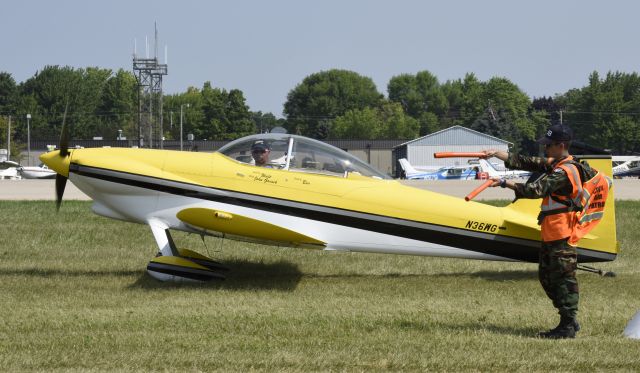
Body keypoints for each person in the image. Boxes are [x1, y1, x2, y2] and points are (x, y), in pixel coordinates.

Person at [481, 124, 596, 339]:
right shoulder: (558, 163)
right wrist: (499, 154)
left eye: (549, 146)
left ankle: (568, 325)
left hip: (563, 233)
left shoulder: (565, 171)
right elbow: (528, 161)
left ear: (561, 146)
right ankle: (568, 319)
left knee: (563, 279)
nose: (545, 150)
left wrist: (506, 183)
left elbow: (535, 190)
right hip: (552, 232)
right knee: (546, 276)